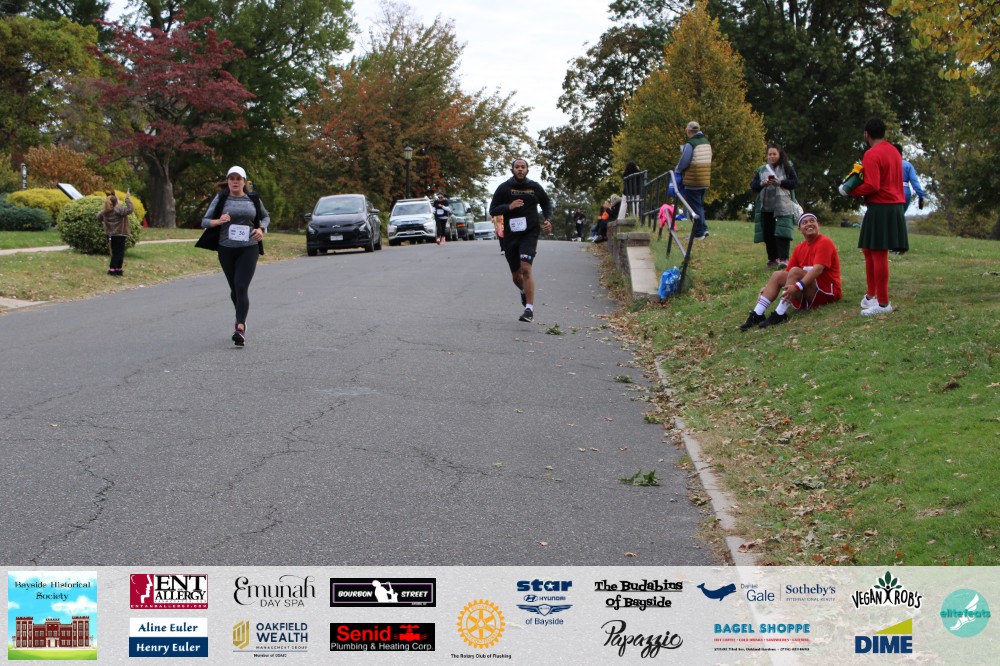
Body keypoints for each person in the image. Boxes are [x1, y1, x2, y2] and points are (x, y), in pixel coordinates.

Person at [840, 119, 906, 316]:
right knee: (868, 249)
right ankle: (871, 296)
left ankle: (883, 303)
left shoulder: (871, 153)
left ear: (866, 134)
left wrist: (850, 191)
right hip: (893, 205)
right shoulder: (894, 151)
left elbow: (873, 185)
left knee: (878, 252)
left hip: (881, 206)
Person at [201, 166, 269, 346]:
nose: (235, 182)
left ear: (244, 182)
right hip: (226, 249)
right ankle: (241, 317)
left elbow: (265, 217)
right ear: (228, 181)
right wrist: (219, 221)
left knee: (241, 286)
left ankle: (240, 327)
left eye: (239, 179)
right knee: (234, 289)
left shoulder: (253, 198)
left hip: (249, 247)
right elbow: (205, 221)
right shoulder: (221, 198)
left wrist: (261, 229)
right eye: (232, 178)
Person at [739, 213, 842, 330]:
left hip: (826, 293)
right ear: (799, 229)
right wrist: (767, 288)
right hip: (809, 292)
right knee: (777, 275)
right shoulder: (799, 248)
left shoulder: (825, 242)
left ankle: (780, 313)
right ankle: (757, 314)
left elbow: (818, 269)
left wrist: (797, 287)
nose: (809, 224)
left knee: (795, 271)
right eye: (804, 223)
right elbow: (787, 275)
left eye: (812, 221)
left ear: (818, 224)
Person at [488, 158, 553, 322]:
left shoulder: (534, 187)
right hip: (510, 236)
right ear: (512, 170)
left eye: (523, 167)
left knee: (526, 269)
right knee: (516, 275)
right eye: (517, 167)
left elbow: (546, 203)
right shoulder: (504, 188)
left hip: (529, 234)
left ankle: (529, 310)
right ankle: (524, 291)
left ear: (527, 170)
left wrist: (548, 219)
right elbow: (493, 210)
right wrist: (508, 207)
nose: (520, 169)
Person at [750, 144, 799, 268]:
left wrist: (780, 182)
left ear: (779, 154)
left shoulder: (787, 167)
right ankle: (772, 259)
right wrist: (763, 183)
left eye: (774, 154)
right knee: (768, 234)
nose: (772, 156)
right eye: (769, 154)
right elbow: (754, 186)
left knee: (782, 232)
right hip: (766, 207)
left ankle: (784, 259)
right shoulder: (762, 170)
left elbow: (794, 183)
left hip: (783, 206)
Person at [675, 120, 712, 239]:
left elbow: (684, 161)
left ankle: (698, 233)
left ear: (688, 131)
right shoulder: (706, 142)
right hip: (704, 179)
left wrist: (677, 170)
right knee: (699, 206)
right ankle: (704, 229)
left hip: (693, 179)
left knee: (694, 207)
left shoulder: (690, 144)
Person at [97, 190, 134, 277]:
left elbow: (98, 217)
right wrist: (127, 198)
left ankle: (118, 269)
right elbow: (130, 209)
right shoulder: (118, 210)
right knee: (119, 253)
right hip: (119, 235)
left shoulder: (105, 211)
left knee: (116, 252)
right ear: (116, 202)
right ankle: (112, 269)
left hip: (110, 235)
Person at [893, 143, 927, 211]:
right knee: (901, 215)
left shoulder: (887, 164)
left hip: (891, 192)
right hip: (905, 192)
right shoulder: (908, 165)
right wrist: (921, 195)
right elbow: (914, 181)